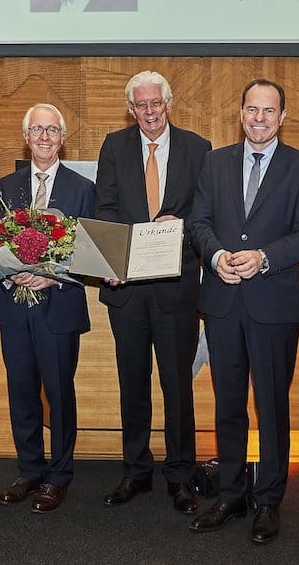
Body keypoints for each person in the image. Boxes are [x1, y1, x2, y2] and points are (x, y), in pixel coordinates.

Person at [188, 78, 299, 543]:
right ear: (240, 112)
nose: (259, 118)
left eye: (268, 111)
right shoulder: (214, 161)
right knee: (228, 405)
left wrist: (263, 257)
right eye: (251, 109)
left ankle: (268, 500)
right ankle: (231, 494)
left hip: (272, 304)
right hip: (222, 302)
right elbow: (198, 222)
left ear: (282, 116)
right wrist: (217, 256)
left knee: (271, 407)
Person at [94, 70, 212, 514]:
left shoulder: (197, 148)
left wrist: (181, 227)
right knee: (132, 382)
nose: (149, 112)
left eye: (155, 103)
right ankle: (136, 471)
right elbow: (105, 209)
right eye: (141, 105)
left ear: (168, 103)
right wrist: (114, 261)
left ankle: (180, 475)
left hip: (176, 287)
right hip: (127, 289)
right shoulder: (114, 147)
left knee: (178, 386)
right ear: (131, 109)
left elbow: (205, 212)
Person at [0, 103, 96, 513]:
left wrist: (52, 277)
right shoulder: (6, 186)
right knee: (21, 391)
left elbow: (87, 251)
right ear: (26, 137)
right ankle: (30, 470)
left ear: (62, 138)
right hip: (14, 307)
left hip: (59, 307)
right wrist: (12, 272)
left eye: (52, 130)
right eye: (37, 129)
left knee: (59, 392)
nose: (45, 137)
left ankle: (59, 475)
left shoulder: (82, 188)